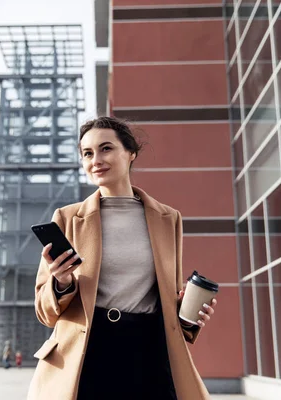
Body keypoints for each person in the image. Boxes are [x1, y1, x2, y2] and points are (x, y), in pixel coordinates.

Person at [27, 117, 217, 400]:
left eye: (106, 149)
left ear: (130, 154)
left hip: (149, 351)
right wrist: (62, 282)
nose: (96, 160)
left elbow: (167, 296)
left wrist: (190, 316)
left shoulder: (168, 219)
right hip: (88, 353)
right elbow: (45, 312)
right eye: (87, 154)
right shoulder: (67, 219)